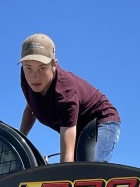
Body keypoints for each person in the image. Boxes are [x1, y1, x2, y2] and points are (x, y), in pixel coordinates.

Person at [18, 33, 121, 163]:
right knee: (79, 171)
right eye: (28, 68)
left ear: (54, 64)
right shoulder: (26, 78)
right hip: (76, 126)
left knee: (91, 169)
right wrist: (20, 139)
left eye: (42, 68)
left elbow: (67, 157)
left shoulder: (65, 94)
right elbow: (31, 108)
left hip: (101, 120)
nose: (35, 76)